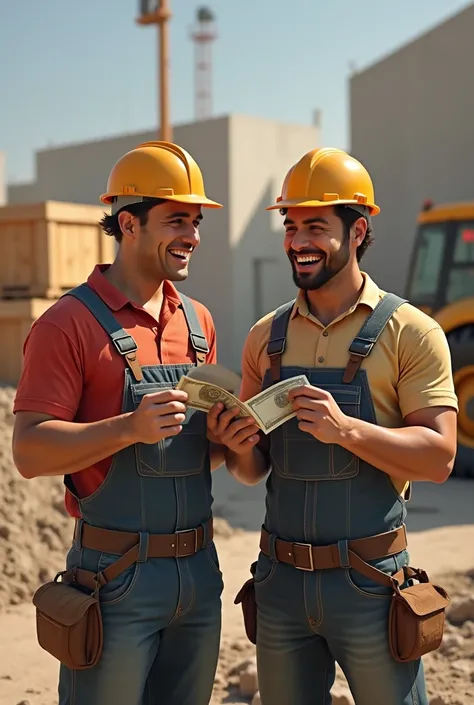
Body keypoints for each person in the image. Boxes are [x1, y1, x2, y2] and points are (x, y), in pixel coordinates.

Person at [207, 147, 458, 705]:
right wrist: (236, 443)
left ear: (357, 229)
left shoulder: (411, 333)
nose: (298, 241)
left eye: (315, 227)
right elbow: (253, 472)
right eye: (291, 226)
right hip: (281, 582)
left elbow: (439, 457)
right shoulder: (264, 338)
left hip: (371, 583)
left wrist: (347, 431)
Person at [12, 140, 226, 705]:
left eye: (197, 222)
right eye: (176, 220)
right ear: (128, 223)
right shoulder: (68, 324)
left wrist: (230, 441)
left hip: (200, 574)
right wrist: (128, 427)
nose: (192, 236)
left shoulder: (199, 323)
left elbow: (196, 456)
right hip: (114, 576)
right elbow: (30, 452)